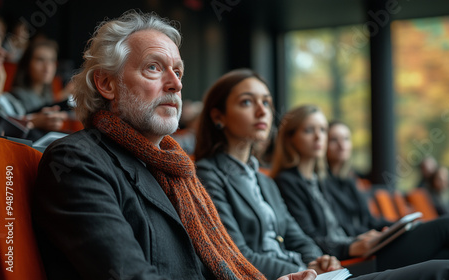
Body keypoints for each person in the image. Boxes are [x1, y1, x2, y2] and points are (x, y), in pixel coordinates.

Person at [32, 11, 318, 280]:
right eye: (154, 67)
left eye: (178, 72)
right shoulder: (76, 161)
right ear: (107, 84)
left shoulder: (176, 171)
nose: (176, 85)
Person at [194, 69, 449, 280]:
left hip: (316, 272)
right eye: (247, 102)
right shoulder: (208, 174)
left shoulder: (264, 181)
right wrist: (308, 268)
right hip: (291, 276)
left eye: (267, 102)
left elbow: (299, 237)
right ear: (218, 116)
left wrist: (320, 260)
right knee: (448, 268)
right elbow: (235, 254)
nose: (262, 111)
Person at [272, 106, 449, 279]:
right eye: (309, 130)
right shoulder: (289, 182)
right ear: (290, 138)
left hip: (361, 248)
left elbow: (356, 224)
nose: (319, 136)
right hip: (348, 259)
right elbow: (307, 238)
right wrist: (352, 244)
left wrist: (387, 232)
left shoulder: (318, 180)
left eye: (322, 130)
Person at [325, 121, 392, 234]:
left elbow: (370, 220)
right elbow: (339, 227)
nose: (342, 145)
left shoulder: (351, 180)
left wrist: (398, 225)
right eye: (334, 140)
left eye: (346, 139)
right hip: (354, 243)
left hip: (366, 237)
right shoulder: (320, 184)